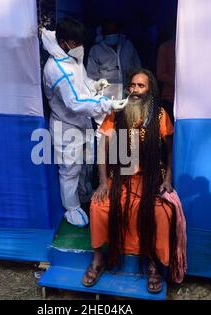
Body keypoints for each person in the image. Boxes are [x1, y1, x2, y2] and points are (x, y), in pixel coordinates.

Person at [81, 68, 174, 293]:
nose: (134, 90)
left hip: (150, 179)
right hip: (120, 178)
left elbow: (171, 151)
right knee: (98, 206)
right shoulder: (116, 113)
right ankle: (98, 259)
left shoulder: (160, 115)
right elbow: (102, 151)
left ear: (149, 90)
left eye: (140, 86)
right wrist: (103, 183)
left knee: (161, 212)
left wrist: (168, 179)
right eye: (132, 85)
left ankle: (153, 264)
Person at [41, 17, 128, 228]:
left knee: (86, 164)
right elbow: (75, 102)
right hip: (66, 124)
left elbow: (81, 84)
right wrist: (107, 104)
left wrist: (94, 85)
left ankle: (84, 196)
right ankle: (71, 207)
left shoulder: (71, 57)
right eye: (76, 43)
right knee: (70, 168)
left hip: (82, 121)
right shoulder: (56, 69)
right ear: (64, 42)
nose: (81, 47)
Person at [87, 19, 142, 144]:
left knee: (128, 130)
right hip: (106, 99)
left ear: (119, 31)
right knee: (104, 133)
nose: (111, 34)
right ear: (102, 32)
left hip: (128, 96)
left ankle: (124, 161)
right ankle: (103, 163)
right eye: (108, 31)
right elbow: (90, 78)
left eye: (114, 31)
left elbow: (138, 69)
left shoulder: (128, 45)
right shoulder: (96, 50)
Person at [157, 21, 176, 124]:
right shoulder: (165, 47)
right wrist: (179, 82)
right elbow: (160, 74)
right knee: (168, 133)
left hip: (190, 99)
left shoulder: (192, 47)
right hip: (170, 98)